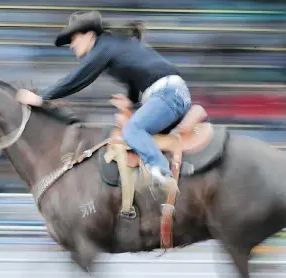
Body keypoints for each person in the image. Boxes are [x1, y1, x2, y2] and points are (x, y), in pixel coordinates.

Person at [15, 11, 191, 191]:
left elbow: (77, 79)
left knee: (133, 130)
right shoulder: (114, 46)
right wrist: (131, 101)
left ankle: (162, 174)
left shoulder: (103, 47)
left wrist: (41, 97)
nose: (71, 46)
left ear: (90, 35)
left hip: (169, 95)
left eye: (74, 39)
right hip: (171, 94)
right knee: (132, 136)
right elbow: (135, 76)